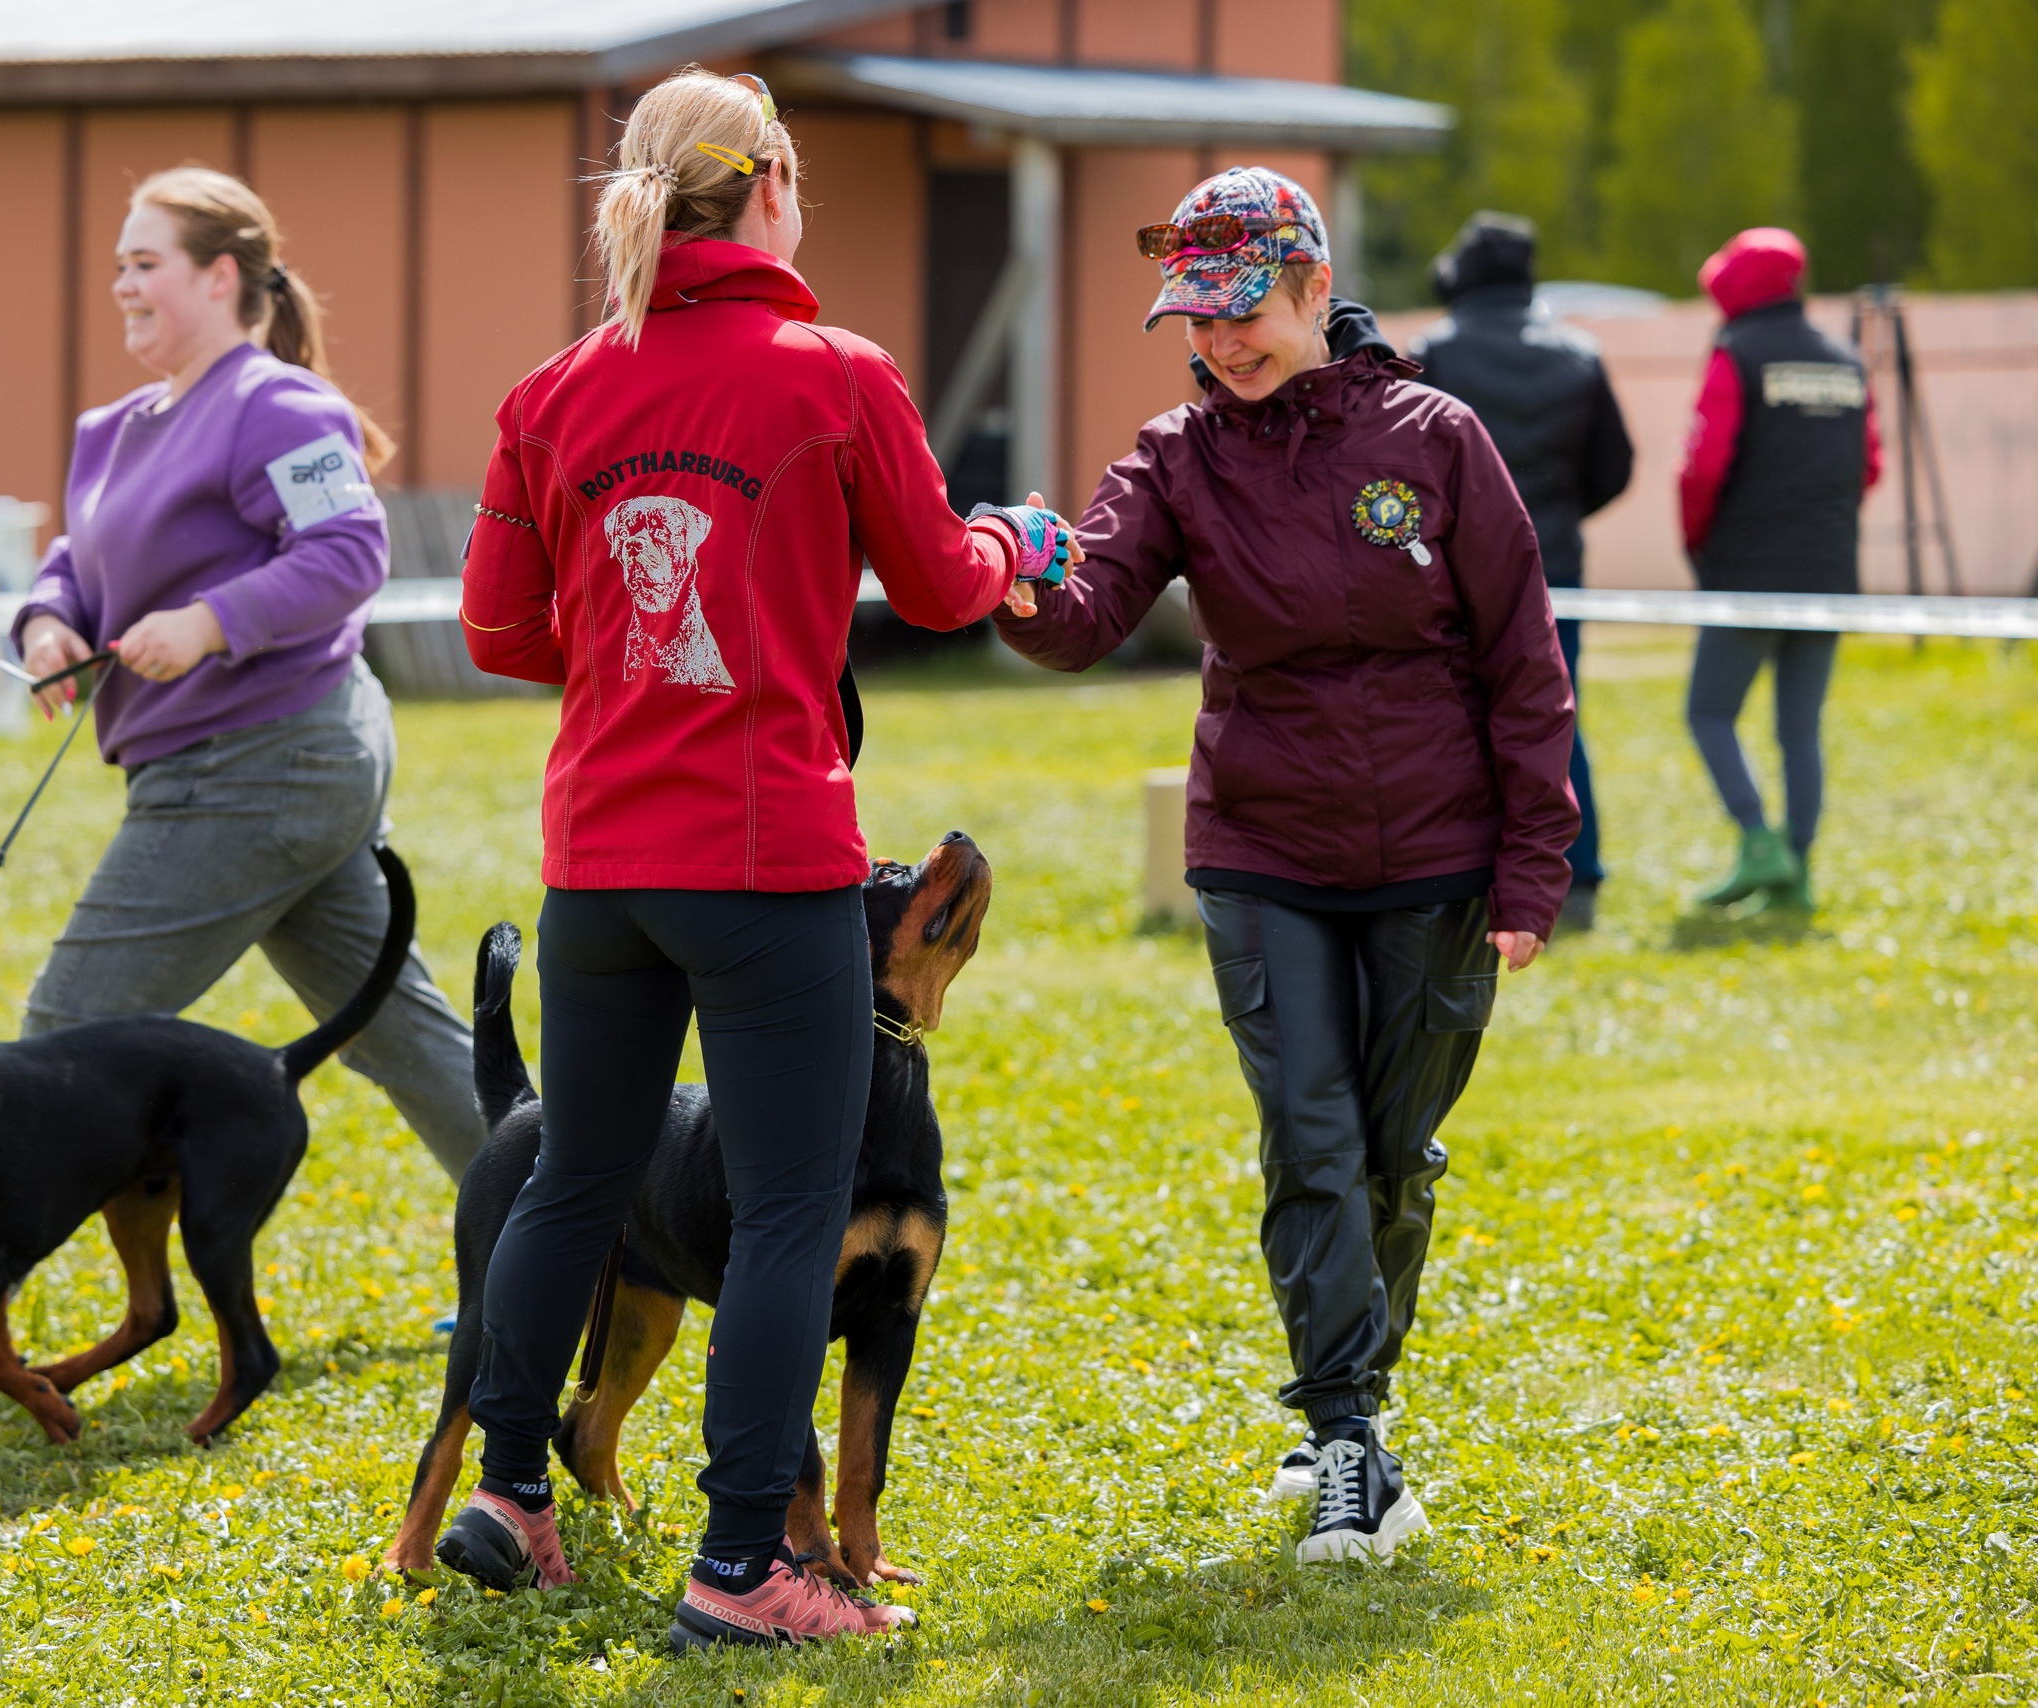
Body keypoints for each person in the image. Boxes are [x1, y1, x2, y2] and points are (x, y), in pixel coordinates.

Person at [436, 69, 1067, 1647]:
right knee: (789, 1213)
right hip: (768, 852)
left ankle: (513, 1493)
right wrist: (1024, 544)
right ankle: (743, 1571)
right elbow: (938, 588)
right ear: (775, 181)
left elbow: (499, 635)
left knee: (576, 1177)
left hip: (595, 859)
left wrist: (636, 651)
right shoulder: (836, 372)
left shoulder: (553, 389)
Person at [0, 167, 489, 1384]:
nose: (121, 281)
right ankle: (582, 1251)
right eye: (116, 261)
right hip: (234, 772)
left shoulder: (278, 405)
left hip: (269, 764)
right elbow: (77, 556)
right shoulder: (114, 429)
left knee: (61, 1032)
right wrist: (46, 625)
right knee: (406, 1035)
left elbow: (350, 552)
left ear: (221, 277)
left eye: (146, 261)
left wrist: (214, 621)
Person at [994, 167, 1578, 1564]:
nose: (1218, 344)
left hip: (1436, 856)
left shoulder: (1437, 438)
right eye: (1195, 321)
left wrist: (1532, 867)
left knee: (1391, 1154)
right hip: (1261, 851)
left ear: (1317, 288)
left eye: (1243, 312)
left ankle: (1345, 1417)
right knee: (1310, 1139)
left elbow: (1523, 664)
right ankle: (1349, 1439)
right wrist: (1014, 581)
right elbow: (1086, 612)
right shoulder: (1174, 455)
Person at [1412, 212, 1633, 932]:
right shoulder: (1580, 353)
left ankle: (1457, 879)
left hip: (1451, 574)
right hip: (1554, 568)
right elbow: (1615, 467)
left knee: (1450, 723)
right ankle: (1580, 882)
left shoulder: (1431, 355)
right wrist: (1549, 524)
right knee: (1557, 720)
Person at [1678, 227, 1880, 914]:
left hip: (1749, 570)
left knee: (1709, 711)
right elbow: (1869, 466)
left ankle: (1758, 842)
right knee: (1801, 727)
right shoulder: (1846, 359)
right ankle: (1799, 868)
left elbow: (1703, 466)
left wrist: (1699, 543)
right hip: (1831, 568)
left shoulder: (1737, 353)